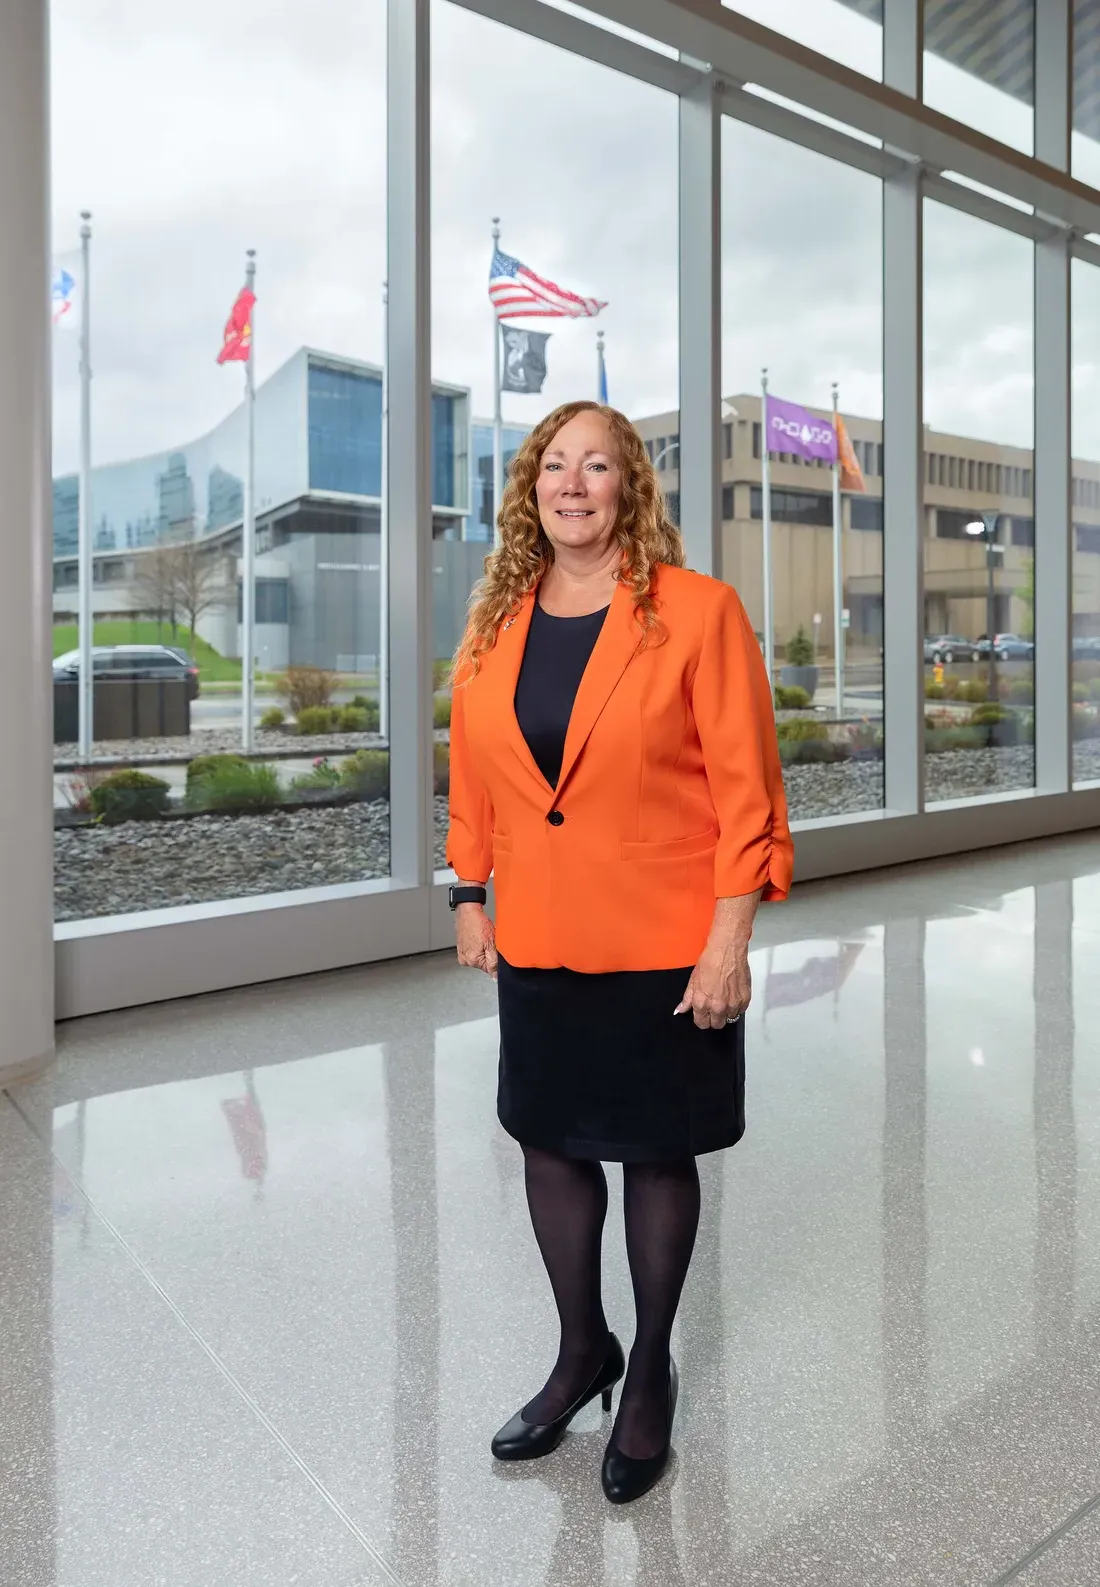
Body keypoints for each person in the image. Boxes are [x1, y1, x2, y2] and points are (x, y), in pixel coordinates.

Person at [445, 400, 793, 1505]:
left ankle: (647, 1370)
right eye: (555, 466)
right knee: (550, 1145)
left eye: (597, 465)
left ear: (630, 486)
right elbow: (476, 771)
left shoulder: (695, 613)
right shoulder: (494, 622)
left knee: (650, 1149)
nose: (574, 483)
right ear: (530, 490)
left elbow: (748, 790)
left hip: (663, 940)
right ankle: (578, 1350)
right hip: (540, 932)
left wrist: (728, 936)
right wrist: (467, 889)